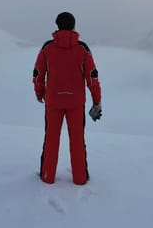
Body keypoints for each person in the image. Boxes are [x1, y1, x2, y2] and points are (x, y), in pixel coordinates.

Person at [32, 12, 102, 185]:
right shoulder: (82, 49)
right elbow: (92, 77)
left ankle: (47, 176)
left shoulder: (47, 48)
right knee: (77, 140)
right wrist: (97, 100)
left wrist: (40, 93)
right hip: (76, 103)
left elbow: (38, 74)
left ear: (57, 25)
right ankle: (80, 178)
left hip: (53, 102)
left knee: (51, 139)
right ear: (73, 26)